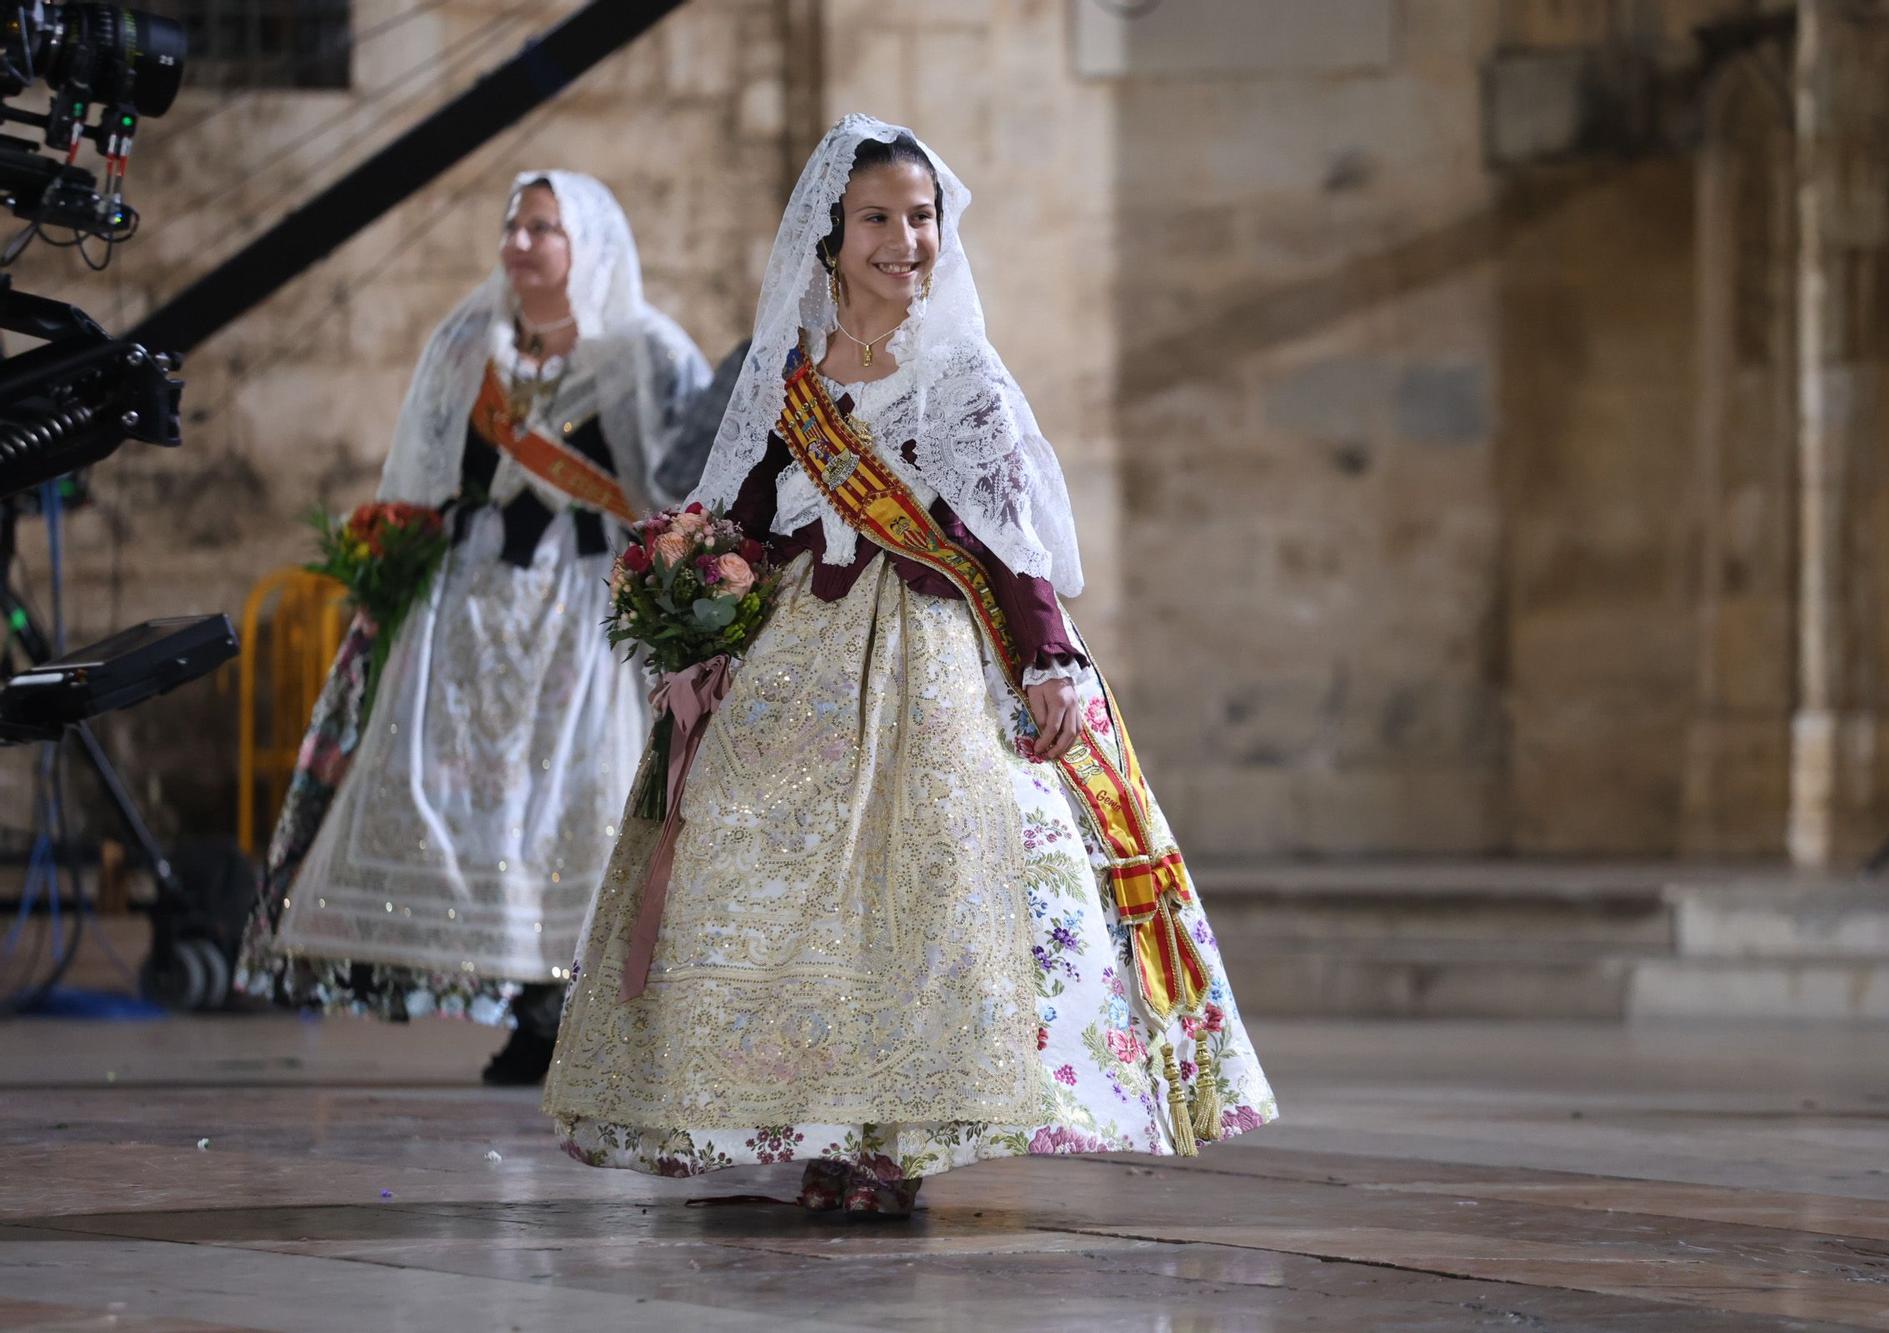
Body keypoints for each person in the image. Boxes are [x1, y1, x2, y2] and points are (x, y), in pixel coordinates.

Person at [545, 118, 1276, 1214]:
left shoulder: (959, 372)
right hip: (791, 654)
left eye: (921, 217)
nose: (904, 239)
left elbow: (1006, 537)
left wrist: (1047, 663)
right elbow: (739, 513)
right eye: (877, 218)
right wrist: (689, 616)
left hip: (923, 657)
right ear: (829, 236)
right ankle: (800, 1117)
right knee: (741, 870)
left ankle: (888, 1145)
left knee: (922, 890)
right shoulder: (786, 368)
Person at [236, 171, 713, 1085]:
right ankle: (523, 1004)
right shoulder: (467, 346)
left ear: (589, 244)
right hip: (471, 619)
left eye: (543, 227)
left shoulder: (648, 354)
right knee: (489, 815)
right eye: (513, 225)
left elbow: (692, 493)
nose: (522, 242)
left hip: (586, 617)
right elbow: (421, 475)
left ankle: (577, 1012)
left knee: (580, 809)